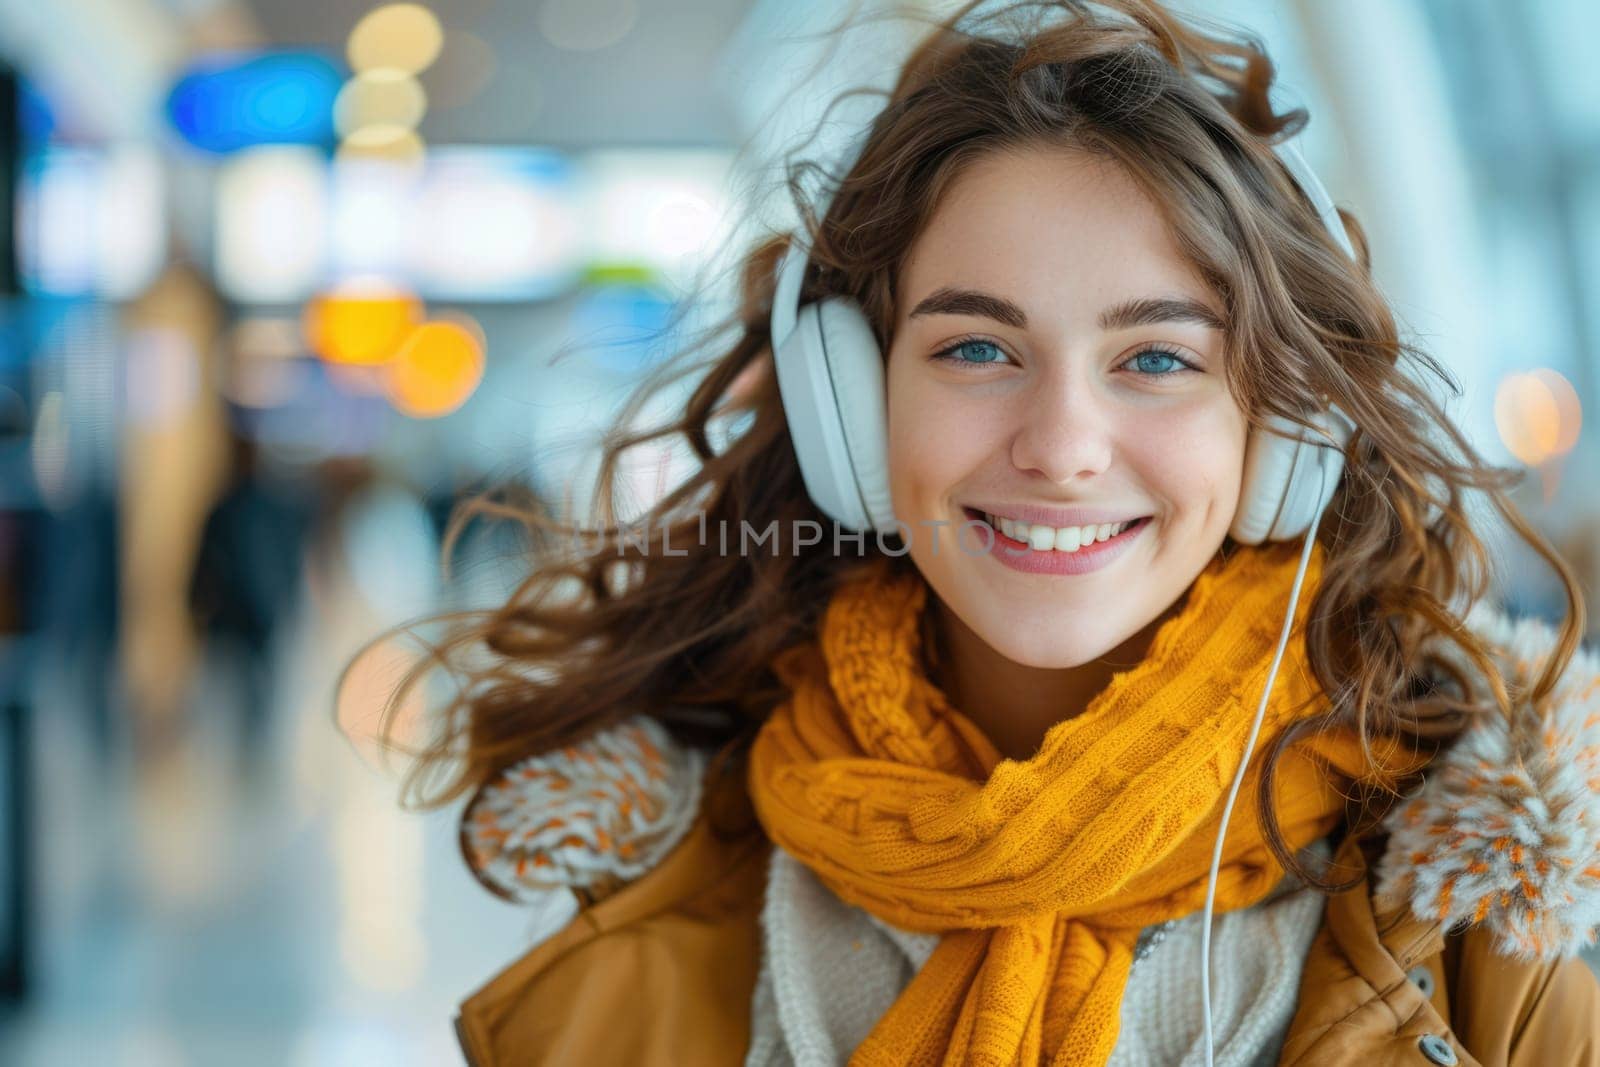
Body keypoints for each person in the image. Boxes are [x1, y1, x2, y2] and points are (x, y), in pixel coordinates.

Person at [366, 2, 1600, 1063]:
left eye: (1157, 357)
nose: (1061, 445)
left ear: (1283, 432)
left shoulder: (1497, 927)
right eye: (974, 347)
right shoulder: (661, 896)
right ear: (849, 406)